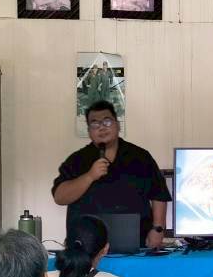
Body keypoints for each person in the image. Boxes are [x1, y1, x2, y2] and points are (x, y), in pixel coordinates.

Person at [52, 100, 171, 249]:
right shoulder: (77, 160)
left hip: (136, 242)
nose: (101, 127)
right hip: (86, 247)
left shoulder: (140, 157)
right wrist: (89, 176)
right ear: (89, 131)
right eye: (95, 124)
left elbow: (159, 195)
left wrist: (158, 229)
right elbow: (60, 197)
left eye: (107, 121)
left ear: (118, 125)